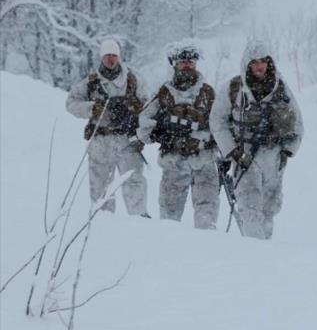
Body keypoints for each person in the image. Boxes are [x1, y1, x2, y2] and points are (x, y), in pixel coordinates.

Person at [210, 40, 303, 239]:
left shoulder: (281, 89)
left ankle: (263, 253)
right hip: (245, 157)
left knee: (269, 209)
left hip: (274, 158)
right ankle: (256, 254)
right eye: (254, 62)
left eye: (263, 61)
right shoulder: (234, 88)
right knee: (249, 209)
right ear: (247, 64)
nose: (259, 66)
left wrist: (287, 152)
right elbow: (217, 120)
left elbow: (298, 124)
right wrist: (232, 151)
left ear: (269, 63)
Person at [137, 44, 219, 229]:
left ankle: (209, 255)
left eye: (191, 62)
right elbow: (144, 120)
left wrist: (219, 147)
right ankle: (169, 256)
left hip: (204, 160)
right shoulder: (164, 93)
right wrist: (159, 133)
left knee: (207, 217)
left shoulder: (208, 92)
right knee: (169, 219)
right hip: (174, 161)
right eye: (183, 62)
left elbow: (221, 123)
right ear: (174, 64)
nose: (187, 65)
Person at [65, 39, 149, 217]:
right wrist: (92, 109)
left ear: (119, 57)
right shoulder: (91, 82)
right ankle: (102, 220)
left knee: (134, 181)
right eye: (107, 55)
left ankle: (140, 220)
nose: (111, 59)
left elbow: (148, 104)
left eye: (114, 55)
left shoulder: (133, 80)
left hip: (127, 139)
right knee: (100, 185)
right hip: (100, 139)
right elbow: (71, 103)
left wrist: (132, 109)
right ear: (101, 57)